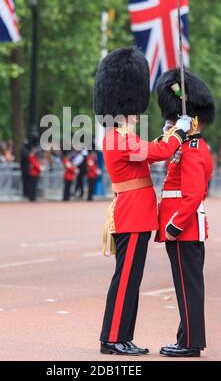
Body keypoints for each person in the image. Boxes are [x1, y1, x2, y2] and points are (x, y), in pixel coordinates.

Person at [93, 47, 191, 356]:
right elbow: (157, 153)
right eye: (135, 111)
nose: (138, 115)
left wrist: (167, 134)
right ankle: (112, 338)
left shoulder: (120, 137)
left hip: (135, 214)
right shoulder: (120, 138)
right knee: (126, 280)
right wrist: (178, 132)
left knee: (131, 280)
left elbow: (150, 150)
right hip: (132, 215)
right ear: (125, 109)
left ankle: (122, 335)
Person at [155, 68, 215, 358]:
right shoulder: (187, 146)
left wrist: (174, 226)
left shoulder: (192, 149)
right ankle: (187, 338)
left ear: (189, 121)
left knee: (188, 288)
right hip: (184, 228)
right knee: (186, 287)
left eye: (174, 120)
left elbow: (192, 196)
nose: (169, 125)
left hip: (184, 229)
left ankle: (190, 343)